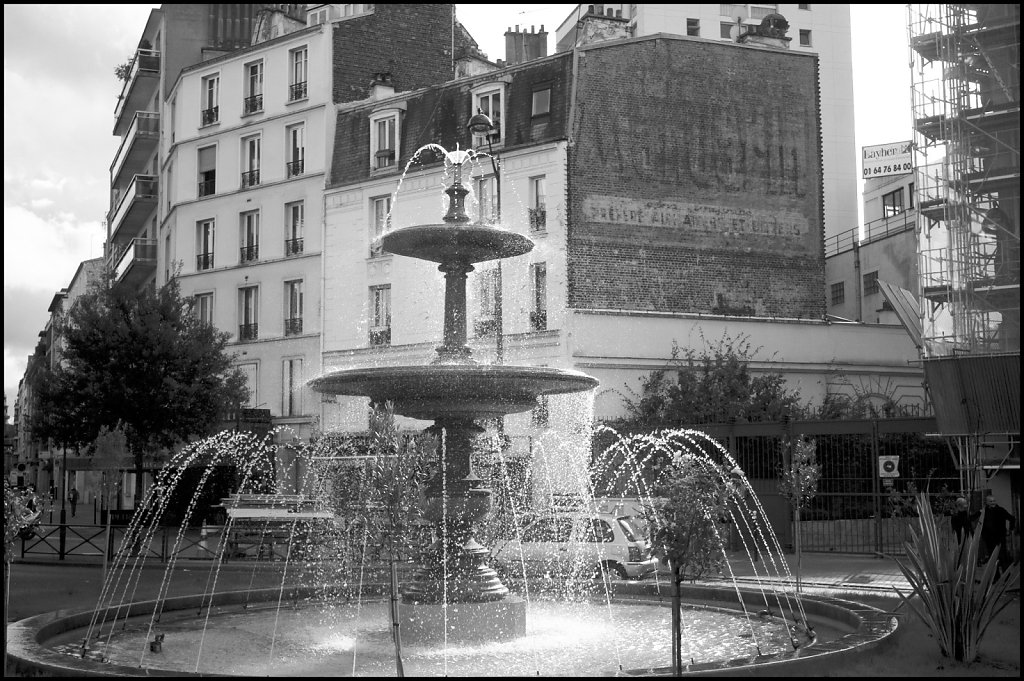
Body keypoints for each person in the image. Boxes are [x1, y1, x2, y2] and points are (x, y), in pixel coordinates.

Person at [979, 494, 1016, 571]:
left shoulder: (1000, 510)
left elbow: (1012, 518)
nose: (993, 502)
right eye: (991, 501)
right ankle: (995, 578)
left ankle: (1006, 578)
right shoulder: (984, 512)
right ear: (987, 502)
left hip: (1000, 538)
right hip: (989, 540)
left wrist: (1010, 529)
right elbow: (973, 518)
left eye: (994, 501)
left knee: (1003, 558)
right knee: (993, 559)